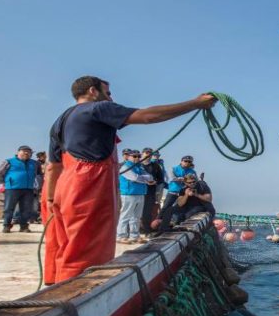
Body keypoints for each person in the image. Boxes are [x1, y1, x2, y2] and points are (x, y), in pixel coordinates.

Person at [45, 75, 217, 283]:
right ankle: (75, 295)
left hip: (64, 184)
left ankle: (56, 286)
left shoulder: (61, 120)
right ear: (92, 91)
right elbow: (147, 116)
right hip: (88, 184)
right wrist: (195, 103)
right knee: (86, 246)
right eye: (107, 93)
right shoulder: (97, 108)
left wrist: (51, 198)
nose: (110, 98)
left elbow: (53, 166)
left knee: (66, 243)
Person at [0, 146, 40, 233]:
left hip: (28, 189)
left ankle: (23, 226)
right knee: (9, 208)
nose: (27, 153)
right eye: (24, 151)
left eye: (29, 152)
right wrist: (6, 183)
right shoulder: (8, 162)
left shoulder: (35, 163)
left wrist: (37, 186)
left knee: (26, 208)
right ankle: (6, 226)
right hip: (12, 188)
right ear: (18, 152)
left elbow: (39, 175)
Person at [117, 150, 155, 243]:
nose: (137, 158)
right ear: (129, 157)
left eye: (138, 156)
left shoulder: (140, 167)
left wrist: (142, 178)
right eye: (134, 156)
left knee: (136, 216)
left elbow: (150, 177)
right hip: (129, 194)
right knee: (125, 215)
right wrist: (145, 180)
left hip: (140, 193)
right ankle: (120, 236)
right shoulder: (125, 167)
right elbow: (134, 177)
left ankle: (134, 236)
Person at [160, 155, 197, 220]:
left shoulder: (192, 171)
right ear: (181, 161)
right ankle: (158, 221)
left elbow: (194, 181)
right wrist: (185, 179)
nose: (187, 163)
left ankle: (175, 223)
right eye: (185, 161)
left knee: (180, 209)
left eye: (189, 162)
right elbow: (173, 178)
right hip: (173, 191)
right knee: (166, 207)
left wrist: (183, 179)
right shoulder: (174, 168)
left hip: (184, 193)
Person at [139, 147, 166, 234]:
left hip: (150, 192)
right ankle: (134, 231)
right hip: (137, 192)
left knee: (147, 212)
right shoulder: (137, 165)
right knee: (136, 213)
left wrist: (155, 182)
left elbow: (161, 180)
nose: (148, 154)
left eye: (150, 153)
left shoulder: (155, 166)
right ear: (142, 153)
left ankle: (146, 230)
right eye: (146, 152)